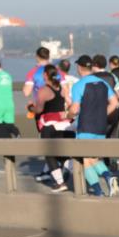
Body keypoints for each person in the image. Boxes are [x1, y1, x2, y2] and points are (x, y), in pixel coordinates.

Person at [69, 54, 119, 197]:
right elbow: (115, 103)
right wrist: (102, 115)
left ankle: (99, 190)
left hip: (85, 126)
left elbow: (74, 109)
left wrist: (68, 116)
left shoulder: (79, 85)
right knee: (94, 158)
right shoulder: (102, 83)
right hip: (100, 126)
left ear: (79, 67)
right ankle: (109, 177)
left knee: (85, 160)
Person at [30, 64, 73, 192]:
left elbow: (39, 109)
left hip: (49, 125)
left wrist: (30, 107)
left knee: (49, 153)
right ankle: (67, 167)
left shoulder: (44, 90)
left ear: (45, 75)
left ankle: (60, 183)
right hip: (64, 124)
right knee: (61, 152)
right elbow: (69, 103)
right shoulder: (61, 88)